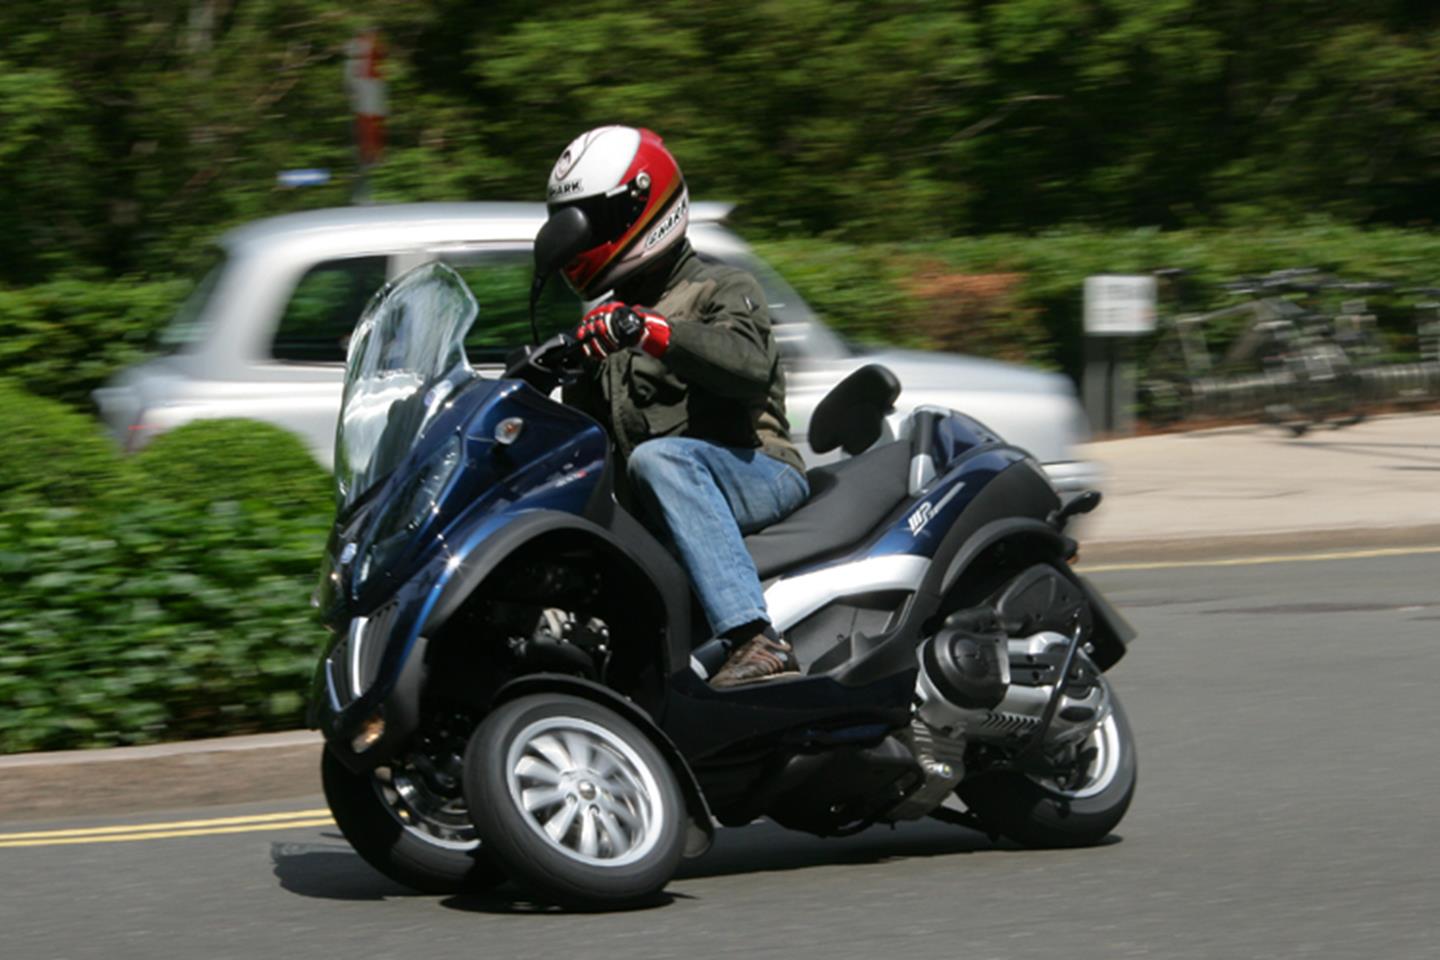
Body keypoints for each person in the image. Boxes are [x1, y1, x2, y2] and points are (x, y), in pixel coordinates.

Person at [544, 125, 808, 688]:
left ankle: (755, 640)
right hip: (672, 495)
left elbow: (745, 366)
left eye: (595, 218)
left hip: (758, 468)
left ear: (642, 205)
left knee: (659, 460)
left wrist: (650, 332)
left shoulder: (720, 286)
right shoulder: (606, 324)